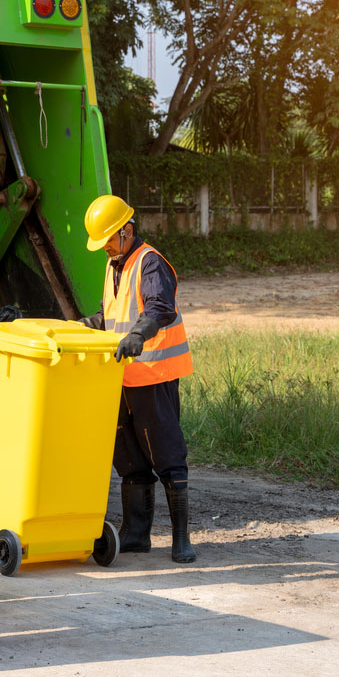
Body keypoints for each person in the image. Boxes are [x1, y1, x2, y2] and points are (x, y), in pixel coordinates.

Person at [81, 195, 196, 563]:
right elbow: (109, 315)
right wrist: (77, 328)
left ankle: (181, 539)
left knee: (167, 455)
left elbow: (160, 308)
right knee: (129, 457)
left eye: (110, 240)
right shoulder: (116, 264)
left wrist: (137, 335)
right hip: (123, 376)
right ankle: (136, 534)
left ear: (127, 231)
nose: (106, 248)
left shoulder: (150, 263)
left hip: (154, 373)